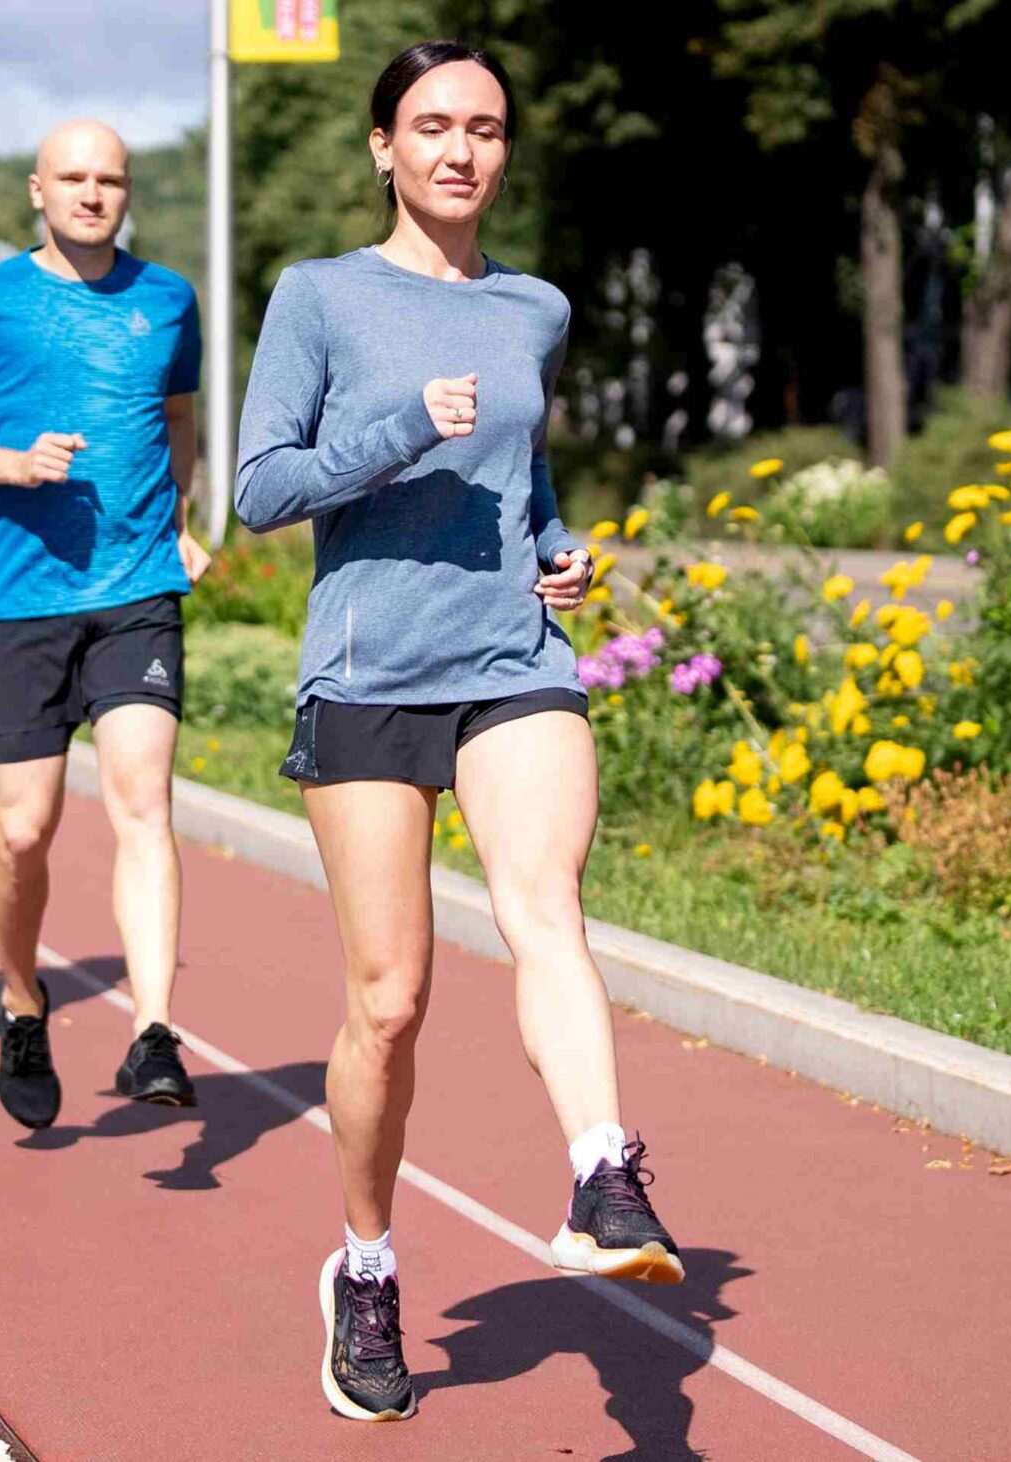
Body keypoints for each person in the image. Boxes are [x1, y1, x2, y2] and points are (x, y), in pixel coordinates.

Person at [232, 41, 680, 1425]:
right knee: (391, 997)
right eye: (432, 125)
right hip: (368, 671)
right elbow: (259, 487)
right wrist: (394, 428)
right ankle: (365, 1266)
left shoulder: (531, 305)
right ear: (383, 147)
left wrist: (558, 551)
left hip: (512, 657)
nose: (459, 150)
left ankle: (605, 1172)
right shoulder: (318, 296)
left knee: (545, 904)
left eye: (484, 129)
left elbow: (524, 470)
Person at [0, 121, 214, 1126]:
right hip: (19, 599)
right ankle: (24, 995)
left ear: (128, 192)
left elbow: (178, 420)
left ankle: (154, 1029)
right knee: (24, 833)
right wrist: (9, 464)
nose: (92, 194)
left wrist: (178, 517)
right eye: (73, 178)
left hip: (134, 591)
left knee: (142, 801)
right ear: (37, 190)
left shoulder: (168, 299)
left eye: (109, 179)